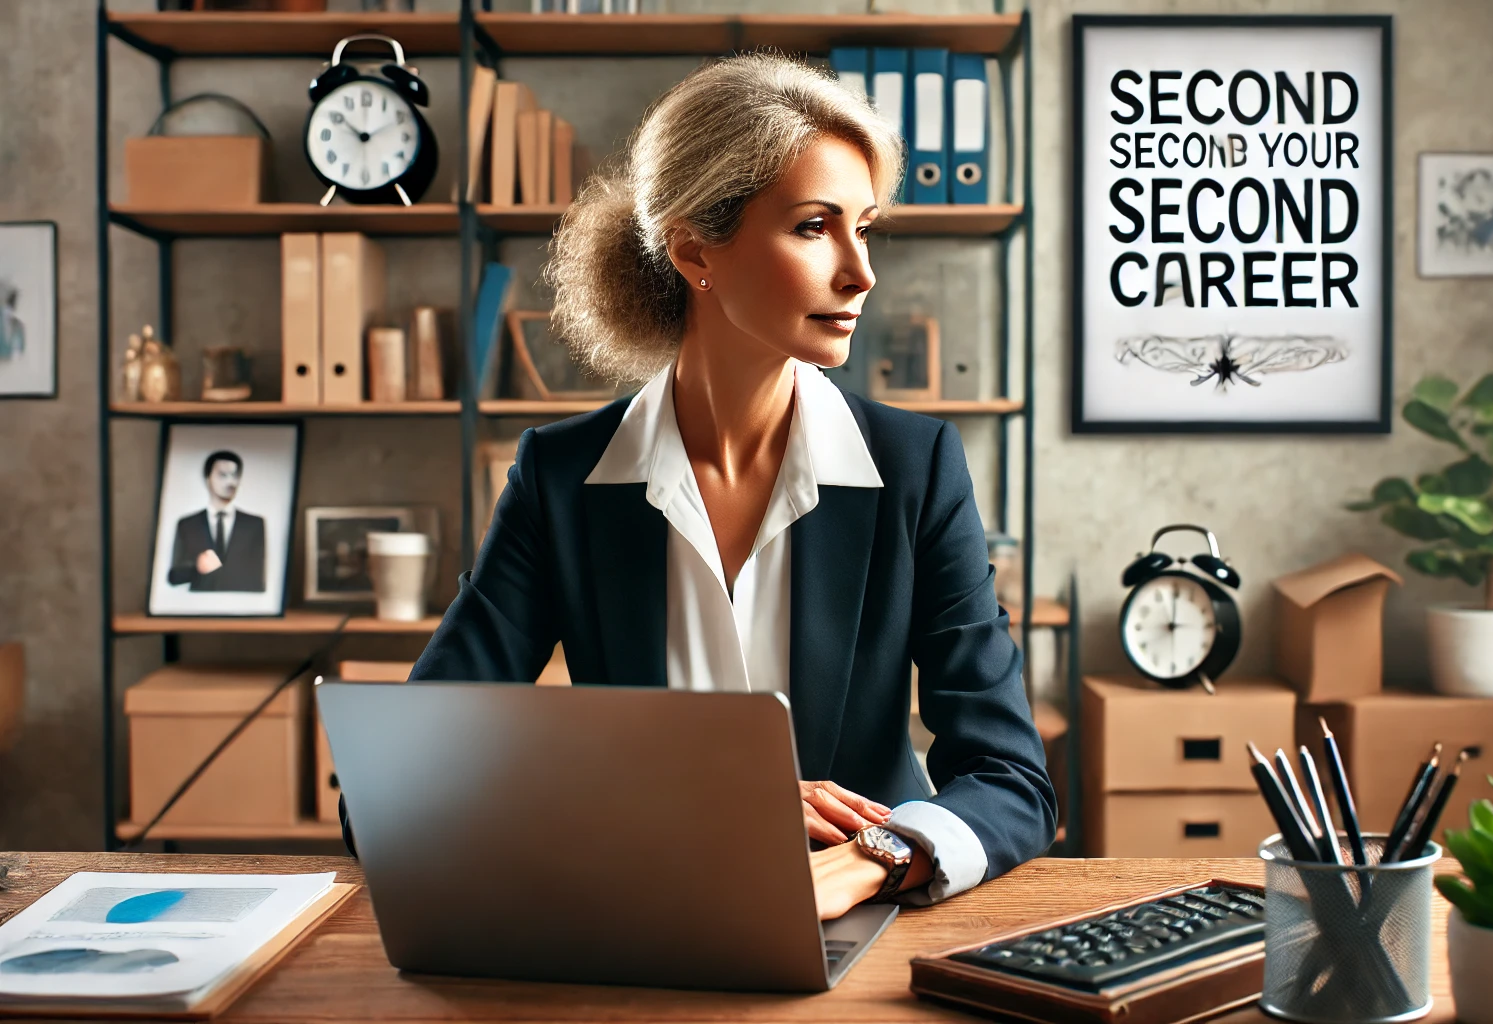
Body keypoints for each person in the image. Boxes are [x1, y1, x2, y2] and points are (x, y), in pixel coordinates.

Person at [342, 52, 1055, 920]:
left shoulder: (916, 469)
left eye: (864, 227)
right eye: (813, 226)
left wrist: (880, 855)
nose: (860, 271)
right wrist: (679, 795)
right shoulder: (560, 482)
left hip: (863, 926)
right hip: (637, 914)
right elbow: (393, 786)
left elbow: (1012, 778)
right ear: (693, 250)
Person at [166, 450, 267, 593]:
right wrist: (196, 567)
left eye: (235, 475)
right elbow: (174, 576)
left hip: (242, 606)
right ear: (208, 479)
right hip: (199, 606)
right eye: (223, 475)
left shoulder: (254, 524)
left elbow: (259, 577)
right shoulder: (187, 524)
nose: (230, 482)